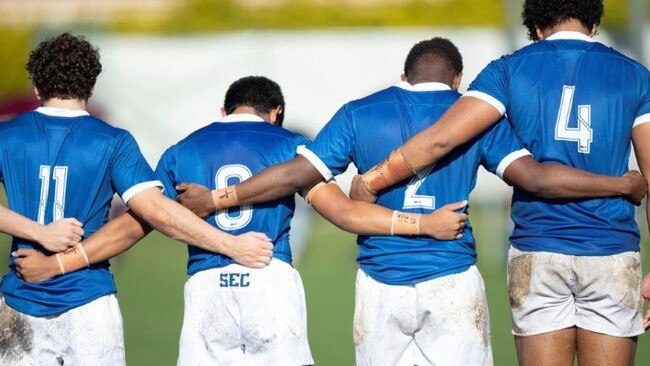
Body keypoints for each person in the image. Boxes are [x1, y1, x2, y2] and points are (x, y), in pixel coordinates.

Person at [175, 38, 647, 365]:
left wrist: (222, 197)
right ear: (459, 80)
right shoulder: (475, 118)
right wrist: (623, 184)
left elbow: (299, 174)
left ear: (402, 75)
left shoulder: (359, 112)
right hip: (452, 282)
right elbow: (537, 178)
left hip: (380, 283)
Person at [13, 75, 470, 365]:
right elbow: (343, 212)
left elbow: (137, 222)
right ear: (276, 114)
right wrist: (421, 225)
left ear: (224, 110)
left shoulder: (182, 149)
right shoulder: (289, 145)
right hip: (269, 278)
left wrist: (63, 261)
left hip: (207, 286)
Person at [347, 1, 650, 365]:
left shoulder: (507, 70)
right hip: (611, 249)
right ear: (595, 23)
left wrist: (371, 181)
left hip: (538, 250)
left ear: (535, 27)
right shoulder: (636, 75)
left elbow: (440, 139)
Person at [0, 33, 274, 365]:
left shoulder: (8, 135)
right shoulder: (113, 141)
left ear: (37, 89)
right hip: (89, 306)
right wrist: (232, 245)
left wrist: (37, 232)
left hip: (18, 302)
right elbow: (157, 211)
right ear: (91, 88)